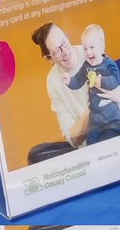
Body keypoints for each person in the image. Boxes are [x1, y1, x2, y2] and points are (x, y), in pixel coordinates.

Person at [28, 21, 89, 161]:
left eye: (64, 43)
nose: (65, 52)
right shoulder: (53, 81)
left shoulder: (90, 52)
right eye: (57, 51)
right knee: (35, 154)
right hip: (87, 147)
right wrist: (91, 110)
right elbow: (73, 138)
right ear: (49, 59)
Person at [65, 23, 120, 143]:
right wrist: (70, 81)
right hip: (95, 114)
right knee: (92, 139)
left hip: (110, 112)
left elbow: (115, 80)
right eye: (85, 49)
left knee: (115, 132)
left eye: (92, 47)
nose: (88, 52)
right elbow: (78, 79)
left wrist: (102, 81)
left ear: (102, 47)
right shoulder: (86, 66)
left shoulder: (109, 64)